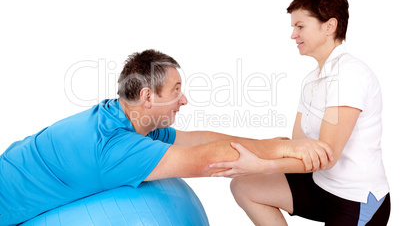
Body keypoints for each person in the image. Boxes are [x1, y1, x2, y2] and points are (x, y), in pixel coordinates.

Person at [0, 49, 333, 225]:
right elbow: (207, 159)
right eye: (176, 91)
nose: (184, 100)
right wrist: (288, 151)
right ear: (147, 97)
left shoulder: (125, 116)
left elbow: (196, 139)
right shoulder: (117, 148)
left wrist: (277, 144)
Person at [210, 0, 391, 225]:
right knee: (245, 186)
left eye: (300, 26)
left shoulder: (350, 74)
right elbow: (298, 146)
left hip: (356, 199)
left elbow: (327, 157)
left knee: (255, 174)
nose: (293, 35)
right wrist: (262, 155)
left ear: (330, 26)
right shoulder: (311, 81)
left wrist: (262, 165)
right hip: (320, 186)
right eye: (293, 27)